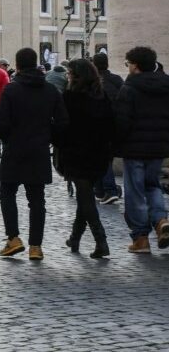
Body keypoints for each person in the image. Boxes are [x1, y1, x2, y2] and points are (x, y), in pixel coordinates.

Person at [0, 48, 69, 261]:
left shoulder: (11, 90)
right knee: (37, 199)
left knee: (7, 193)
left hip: (15, 149)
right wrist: (48, 137)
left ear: (17, 66)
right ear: (36, 63)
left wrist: (10, 140)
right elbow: (63, 122)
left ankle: (13, 238)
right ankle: (36, 246)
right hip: (39, 150)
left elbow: (1, 123)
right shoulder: (50, 90)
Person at [56, 59, 114, 259]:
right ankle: (75, 237)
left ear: (76, 76)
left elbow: (62, 126)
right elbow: (110, 125)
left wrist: (58, 143)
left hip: (76, 153)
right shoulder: (101, 96)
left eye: (70, 73)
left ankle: (101, 241)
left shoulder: (70, 97)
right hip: (98, 154)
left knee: (86, 197)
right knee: (85, 195)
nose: (68, 76)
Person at [114, 46, 169, 253]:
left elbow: (122, 121)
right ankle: (160, 220)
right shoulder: (166, 84)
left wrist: (116, 144)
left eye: (128, 64)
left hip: (134, 147)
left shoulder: (130, 88)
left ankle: (141, 238)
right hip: (159, 146)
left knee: (135, 191)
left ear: (135, 66)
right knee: (152, 185)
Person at [92, 53, 124, 204]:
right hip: (115, 124)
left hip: (99, 125)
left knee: (101, 158)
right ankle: (100, 190)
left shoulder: (92, 82)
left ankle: (108, 189)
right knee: (106, 158)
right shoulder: (117, 80)